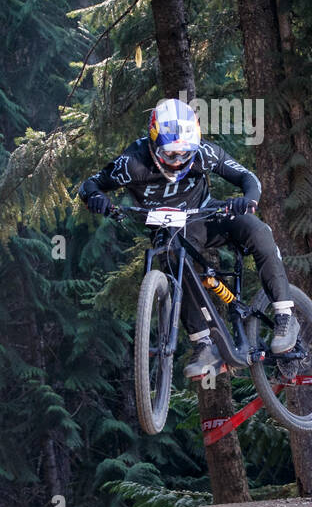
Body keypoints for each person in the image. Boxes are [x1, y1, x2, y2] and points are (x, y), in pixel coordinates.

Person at [78, 97, 298, 379]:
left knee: (258, 230)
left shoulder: (204, 153)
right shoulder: (132, 163)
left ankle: (285, 316)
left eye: (185, 154)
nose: (178, 161)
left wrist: (248, 200)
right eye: (170, 154)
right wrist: (96, 199)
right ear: (153, 145)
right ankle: (204, 345)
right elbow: (90, 185)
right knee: (171, 257)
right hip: (171, 230)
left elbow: (248, 178)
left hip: (206, 217)